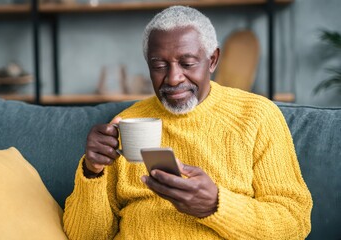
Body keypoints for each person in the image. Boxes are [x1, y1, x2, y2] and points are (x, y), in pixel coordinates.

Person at [63, 5, 312, 240]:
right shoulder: (126, 123)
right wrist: (91, 171)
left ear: (212, 60)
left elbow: (295, 223)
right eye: (159, 65)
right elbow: (85, 235)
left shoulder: (257, 116)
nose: (173, 78)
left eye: (187, 63)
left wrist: (215, 205)